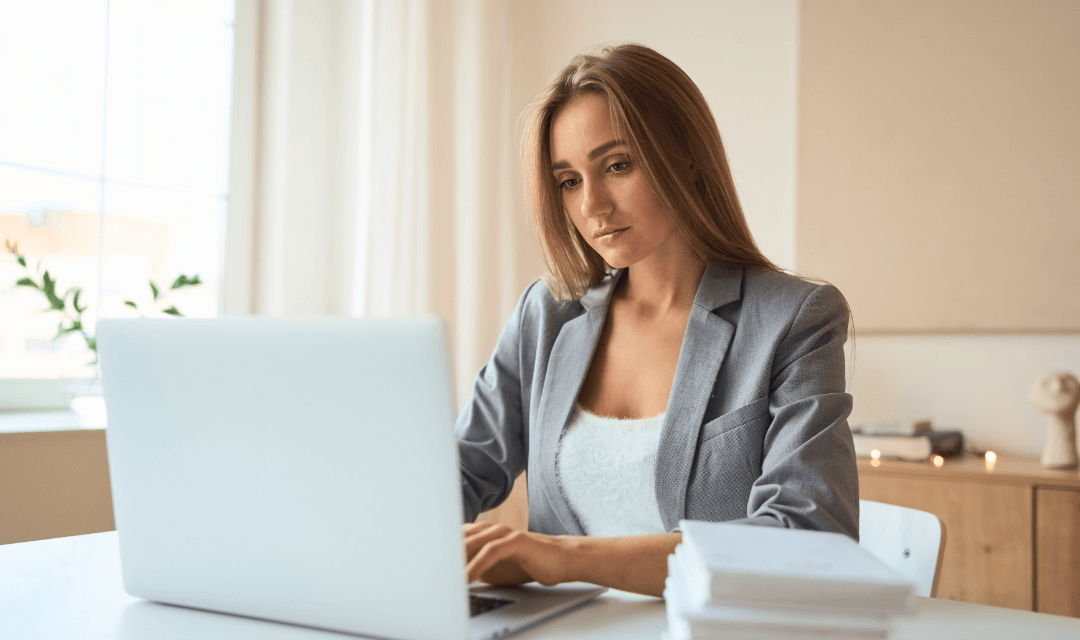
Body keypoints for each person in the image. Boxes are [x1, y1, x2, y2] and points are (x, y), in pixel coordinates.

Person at [455, 43, 858, 598]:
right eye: (569, 181)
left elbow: (809, 538)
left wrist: (567, 558)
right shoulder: (545, 316)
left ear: (686, 158)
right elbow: (455, 475)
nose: (592, 205)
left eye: (617, 166)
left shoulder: (793, 320)